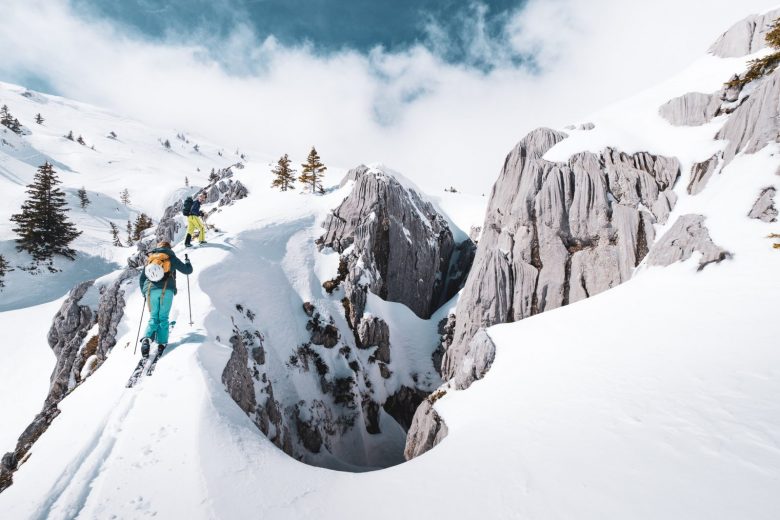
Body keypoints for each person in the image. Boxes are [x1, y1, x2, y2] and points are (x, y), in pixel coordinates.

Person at [138, 241, 193, 358]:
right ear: (169, 248)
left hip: (150, 290)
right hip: (166, 290)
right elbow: (187, 271)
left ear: (158, 247)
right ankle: (161, 344)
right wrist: (187, 262)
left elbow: (142, 278)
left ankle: (146, 340)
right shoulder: (171, 257)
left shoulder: (151, 258)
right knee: (163, 317)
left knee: (153, 317)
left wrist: (144, 292)